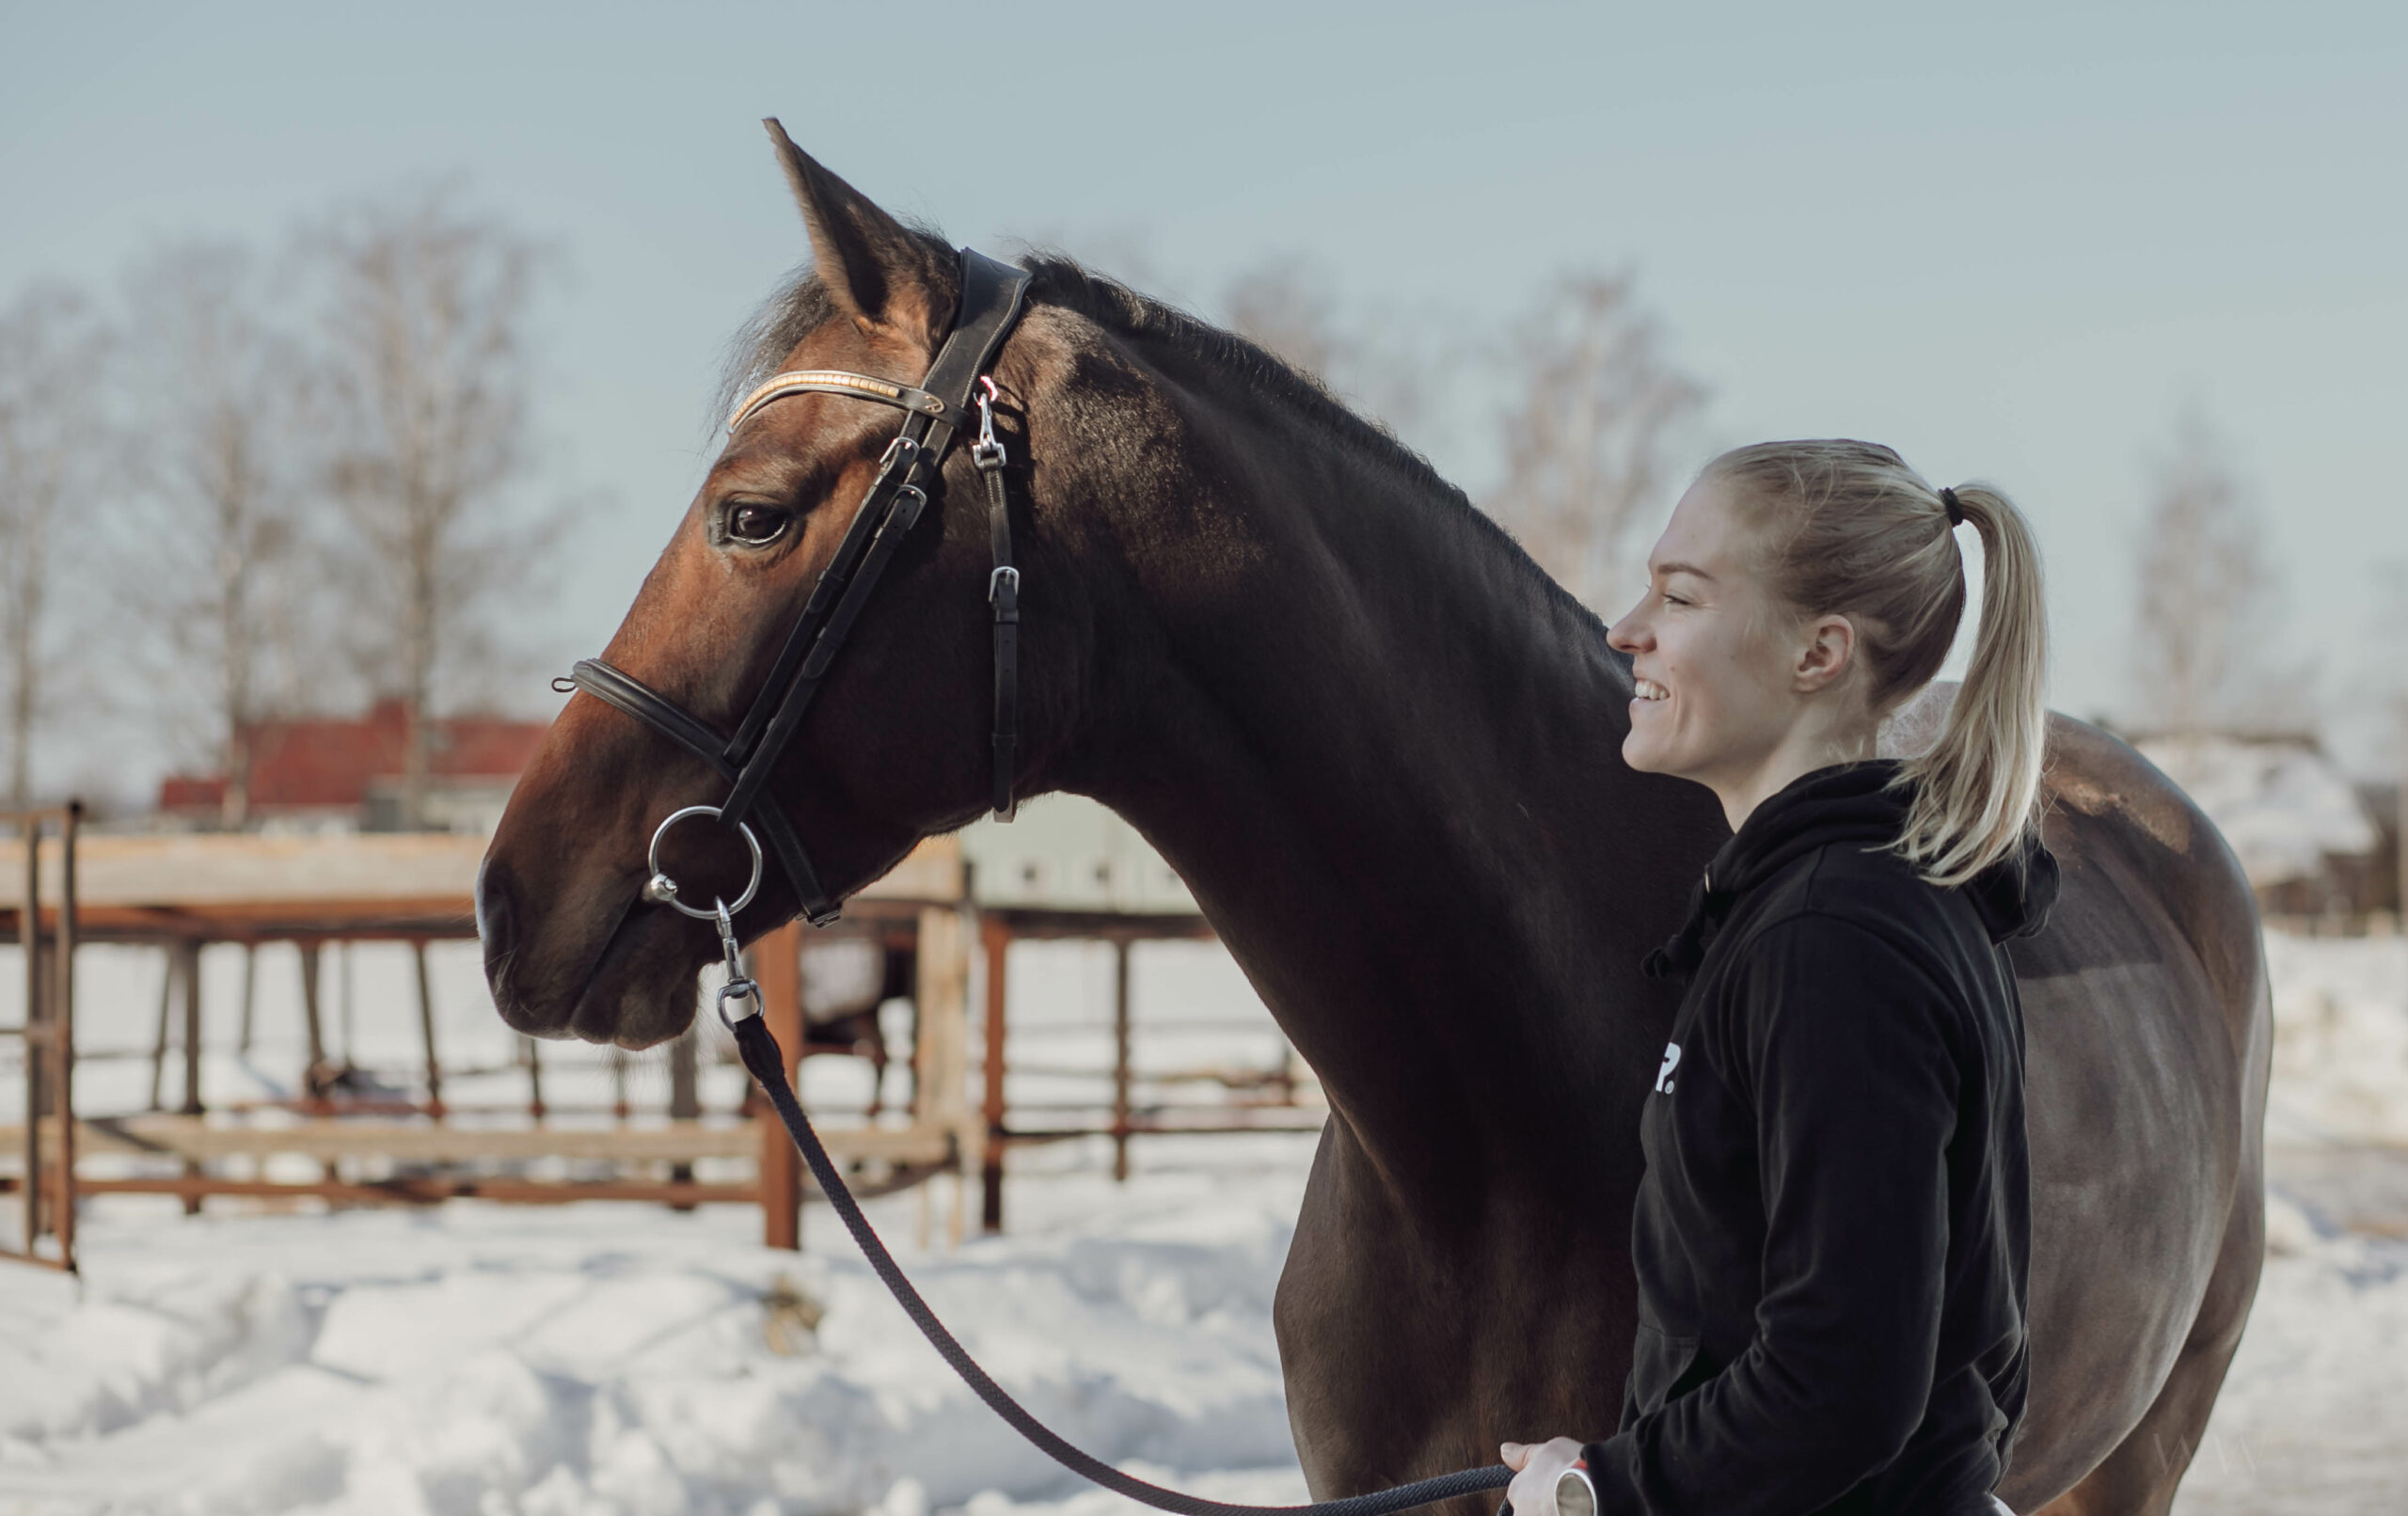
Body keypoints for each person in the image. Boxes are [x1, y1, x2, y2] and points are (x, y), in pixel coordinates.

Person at [1501, 440, 2058, 1516]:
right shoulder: (1847, 907)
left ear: (1819, 654)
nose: (1625, 629)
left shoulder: (1829, 943)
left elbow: (1839, 1382)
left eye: (1680, 594)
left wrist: (1600, 1492)